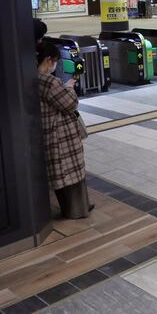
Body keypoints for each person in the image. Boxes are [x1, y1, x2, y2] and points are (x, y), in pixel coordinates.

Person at [37, 41, 92, 219]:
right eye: (54, 62)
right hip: (61, 135)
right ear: (48, 60)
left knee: (61, 176)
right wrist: (68, 88)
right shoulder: (49, 82)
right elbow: (69, 103)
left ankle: (71, 208)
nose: (55, 66)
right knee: (72, 175)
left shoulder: (30, 78)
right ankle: (77, 212)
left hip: (47, 132)